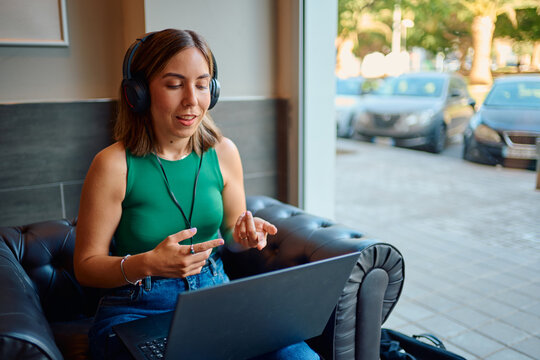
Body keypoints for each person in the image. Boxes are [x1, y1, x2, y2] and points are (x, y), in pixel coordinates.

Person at [73, 28, 319, 360]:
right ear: (139, 93)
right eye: (174, 85)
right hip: (138, 307)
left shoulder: (223, 152)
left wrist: (244, 236)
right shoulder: (113, 165)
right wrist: (147, 264)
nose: (192, 100)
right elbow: (86, 266)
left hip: (215, 293)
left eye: (202, 85)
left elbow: (231, 233)